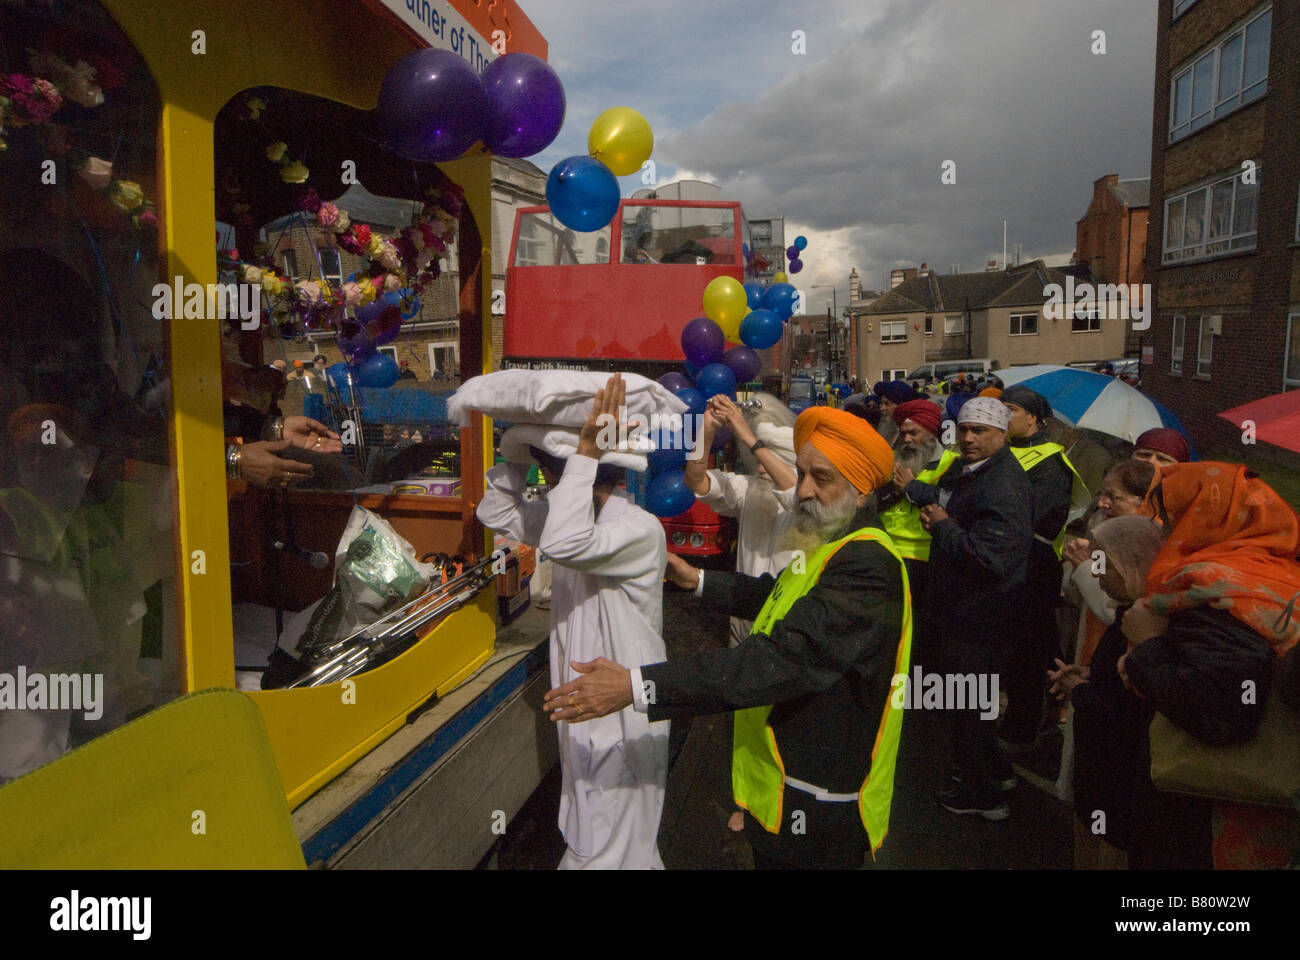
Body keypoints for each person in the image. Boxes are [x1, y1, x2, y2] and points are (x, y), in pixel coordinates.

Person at [543, 407, 909, 869]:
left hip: (818, 800)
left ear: (862, 492)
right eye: (801, 474)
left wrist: (634, 686)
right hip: (780, 788)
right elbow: (776, 596)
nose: (803, 490)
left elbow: (775, 661)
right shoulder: (833, 544)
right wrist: (695, 578)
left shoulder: (866, 565)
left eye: (822, 478)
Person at [476, 374, 670, 869]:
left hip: (620, 713)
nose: (548, 483)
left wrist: (583, 448)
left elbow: (563, 544)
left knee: (611, 847)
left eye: (548, 472)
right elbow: (496, 512)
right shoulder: (570, 516)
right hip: (586, 707)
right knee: (606, 842)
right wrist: (517, 451)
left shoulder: (635, 528)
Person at [1120, 462, 1300, 868]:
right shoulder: (1278, 574)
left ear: (1204, 519)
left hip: (1209, 814)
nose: (1162, 529)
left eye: (1170, 516)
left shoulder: (1216, 588)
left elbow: (1220, 710)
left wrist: (1147, 645)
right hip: (1271, 812)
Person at [920, 396, 1034, 820]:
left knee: (964, 707)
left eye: (980, 431)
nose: (968, 437)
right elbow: (950, 499)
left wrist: (944, 527)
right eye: (964, 428)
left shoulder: (1002, 484)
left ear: (1002, 435)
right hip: (965, 613)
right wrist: (920, 496)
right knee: (973, 706)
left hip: (979, 618)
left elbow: (990, 559)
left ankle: (981, 796)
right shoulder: (977, 471)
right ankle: (997, 772)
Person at [1046, 515, 1166, 868]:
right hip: (1100, 775)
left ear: (1132, 564)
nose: (1096, 573)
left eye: (1104, 564)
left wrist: (1078, 690)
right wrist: (1087, 673)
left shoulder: (1147, 625)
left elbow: (1127, 712)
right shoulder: (1132, 613)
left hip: (1116, 780)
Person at [997, 384, 1082, 753]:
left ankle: (1026, 726)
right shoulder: (1001, 451)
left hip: (1033, 568)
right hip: (1005, 565)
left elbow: (1040, 517)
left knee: (1027, 654)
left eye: (1010, 410)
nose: (1002, 417)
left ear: (1033, 418)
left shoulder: (1052, 460)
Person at [680, 394, 797, 647]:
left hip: (786, 622)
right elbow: (695, 480)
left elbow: (793, 490)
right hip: (743, 619)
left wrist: (748, 436)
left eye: (769, 460)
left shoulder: (807, 496)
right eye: (758, 462)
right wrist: (707, 429)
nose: (761, 469)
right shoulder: (749, 488)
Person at [878, 398, 956, 662]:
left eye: (915, 432)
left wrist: (911, 489)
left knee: (923, 634)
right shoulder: (892, 461)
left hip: (927, 561)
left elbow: (951, 502)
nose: (908, 439)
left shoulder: (950, 464)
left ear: (931, 433)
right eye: (904, 433)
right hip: (890, 555)